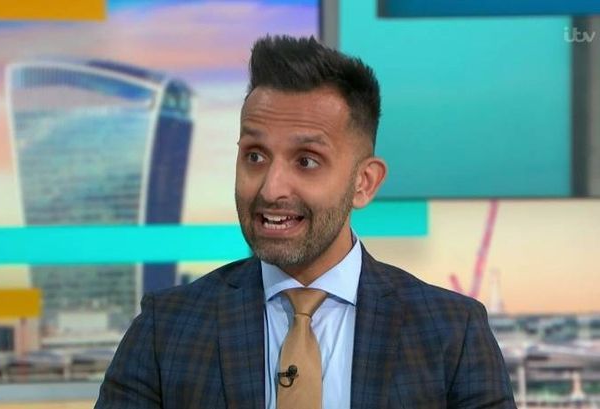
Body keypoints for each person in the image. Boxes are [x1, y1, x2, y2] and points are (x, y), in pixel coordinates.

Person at [95, 35, 516, 409]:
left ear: (364, 183)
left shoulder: (452, 332)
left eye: (306, 161)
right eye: (255, 156)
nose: (271, 187)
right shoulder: (166, 329)